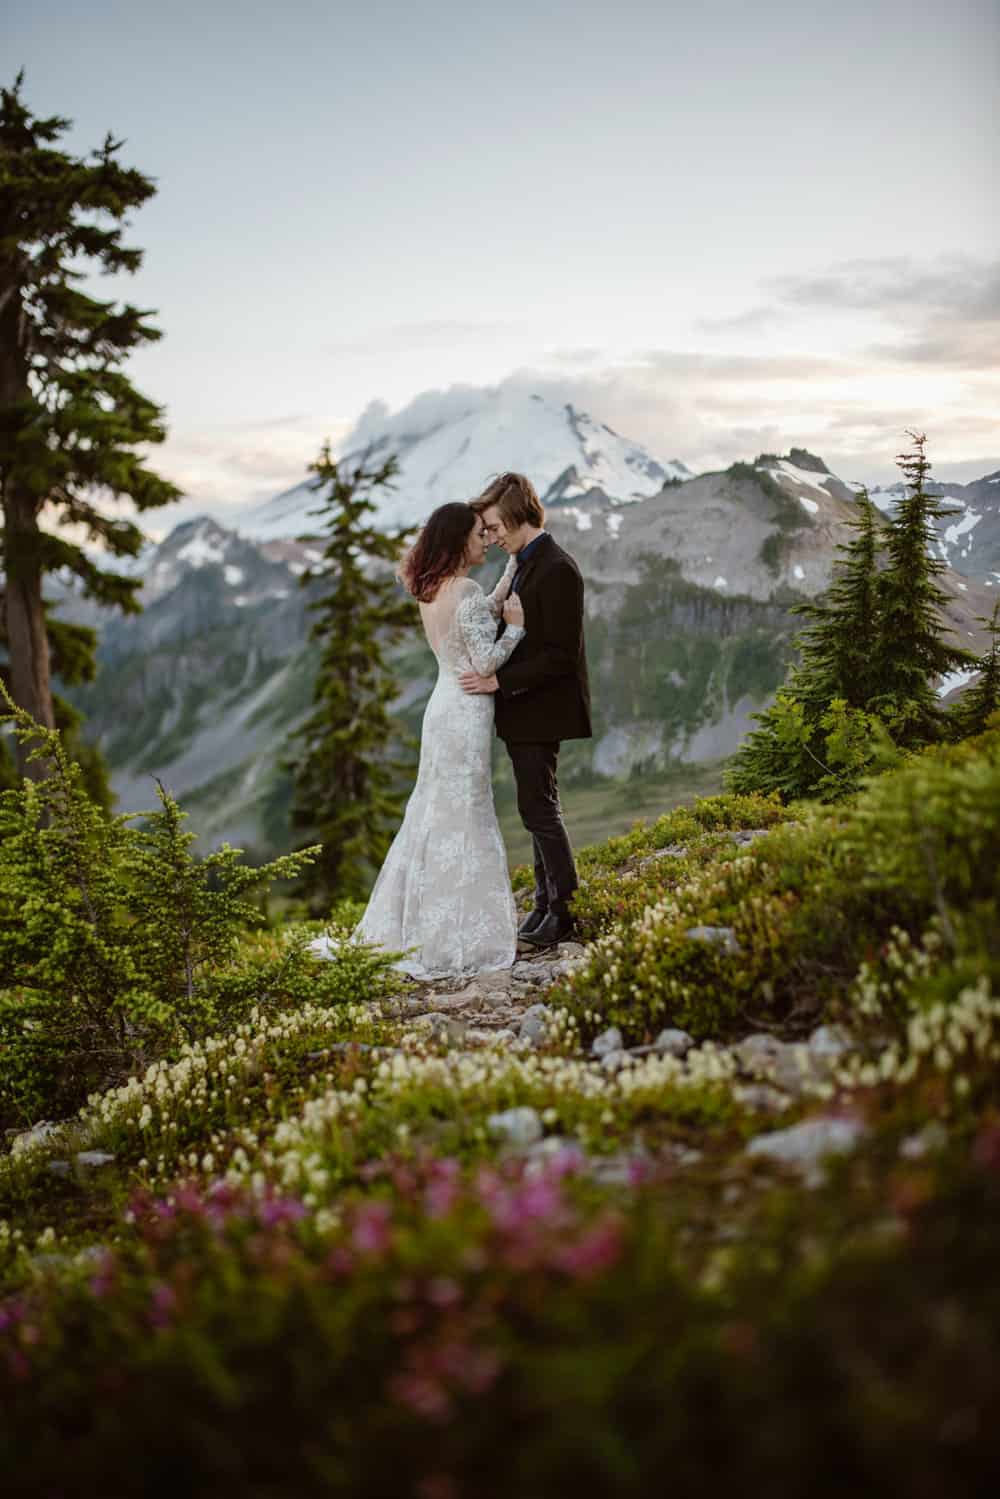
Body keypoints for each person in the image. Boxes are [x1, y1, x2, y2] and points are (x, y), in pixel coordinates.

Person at [342, 501, 524, 978]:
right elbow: (484, 660)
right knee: (465, 811)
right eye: (477, 535)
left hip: (442, 706)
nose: (484, 540)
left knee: (433, 811)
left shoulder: (434, 590)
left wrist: (508, 575)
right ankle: (458, 936)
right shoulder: (464, 588)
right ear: (458, 540)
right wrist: (517, 631)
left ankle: (425, 925)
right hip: (465, 709)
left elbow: (473, 619)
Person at [460, 472, 591, 949]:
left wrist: (499, 680)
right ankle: (543, 901)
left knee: (540, 809)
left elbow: (560, 655)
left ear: (517, 516)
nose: (490, 537)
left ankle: (566, 909)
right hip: (524, 708)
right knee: (535, 807)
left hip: (542, 708)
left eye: (494, 527)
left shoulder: (557, 568)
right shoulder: (522, 562)